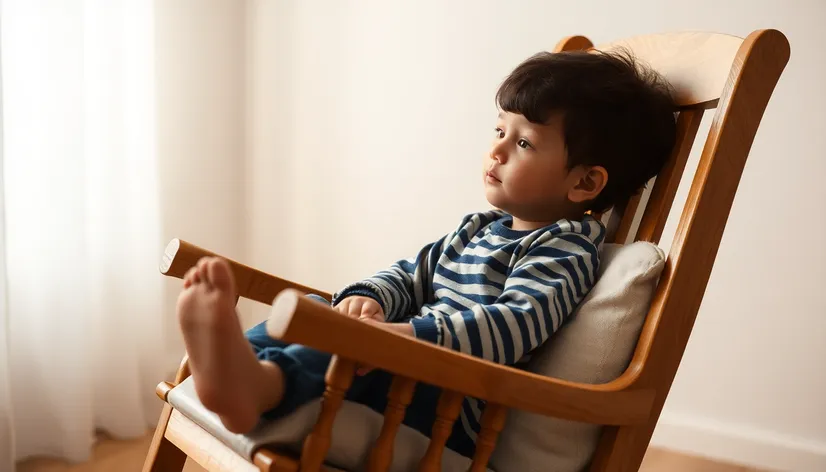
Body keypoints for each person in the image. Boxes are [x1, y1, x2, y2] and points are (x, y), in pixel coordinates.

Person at [175, 49, 677, 458]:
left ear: (585, 182)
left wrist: (407, 337)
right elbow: (412, 276)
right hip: (410, 359)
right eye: (500, 130)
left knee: (349, 346)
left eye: (524, 142)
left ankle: (255, 387)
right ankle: (241, 369)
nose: (497, 151)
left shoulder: (563, 249)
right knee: (320, 312)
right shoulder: (479, 228)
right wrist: (370, 300)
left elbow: (512, 325)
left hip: (448, 400)